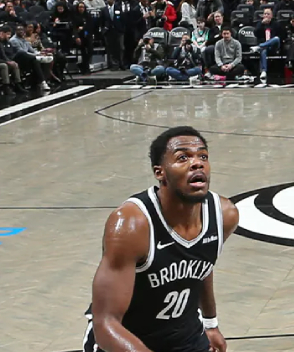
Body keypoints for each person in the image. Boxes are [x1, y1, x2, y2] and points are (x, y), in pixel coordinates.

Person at [83, 126, 239, 352]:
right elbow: (106, 323)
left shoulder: (224, 215)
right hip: (125, 340)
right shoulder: (132, 224)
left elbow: (202, 265)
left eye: (203, 156)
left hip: (185, 336)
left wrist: (211, 324)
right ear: (160, 172)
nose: (197, 163)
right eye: (183, 157)